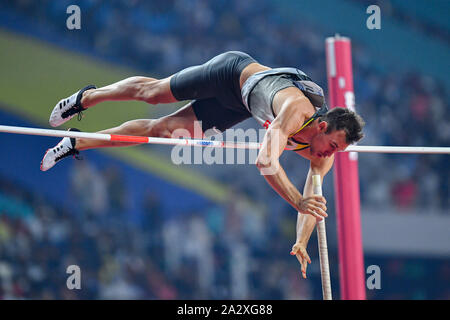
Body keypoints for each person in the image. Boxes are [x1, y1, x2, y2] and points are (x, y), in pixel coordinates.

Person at [40, 51, 365, 277]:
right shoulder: (296, 110)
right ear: (322, 126)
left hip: (240, 107)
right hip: (231, 73)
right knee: (153, 93)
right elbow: (265, 161)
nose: (328, 155)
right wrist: (297, 200)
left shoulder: (322, 156)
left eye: (338, 151)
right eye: (333, 146)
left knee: (163, 132)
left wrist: (301, 239)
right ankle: (86, 98)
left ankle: (76, 141)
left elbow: (310, 205)